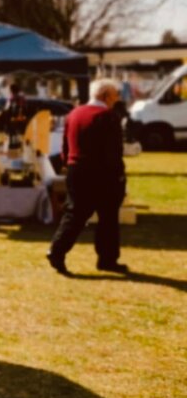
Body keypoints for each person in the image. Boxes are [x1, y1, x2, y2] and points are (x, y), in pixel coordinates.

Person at [47, 78, 128, 276]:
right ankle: (107, 258)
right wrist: (119, 174)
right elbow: (113, 151)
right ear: (106, 95)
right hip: (102, 171)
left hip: (77, 168)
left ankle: (57, 250)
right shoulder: (108, 116)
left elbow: (65, 145)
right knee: (108, 216)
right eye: (115, 95)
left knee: (75, 213)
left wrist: (68, 163)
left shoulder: (74, 114)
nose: (116, 99)